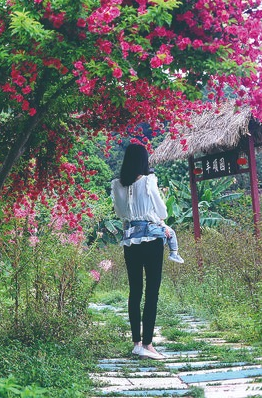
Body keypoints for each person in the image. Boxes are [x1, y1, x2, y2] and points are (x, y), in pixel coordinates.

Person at [111, 144, 171, 360]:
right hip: (151, 239)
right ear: (144, 161)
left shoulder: (117, 185)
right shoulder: (148, 181)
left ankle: (137, 343)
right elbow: (162, 211)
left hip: (130, 241)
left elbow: (120, 213)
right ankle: (148, 344)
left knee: (135, 291)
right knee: (152, 291)